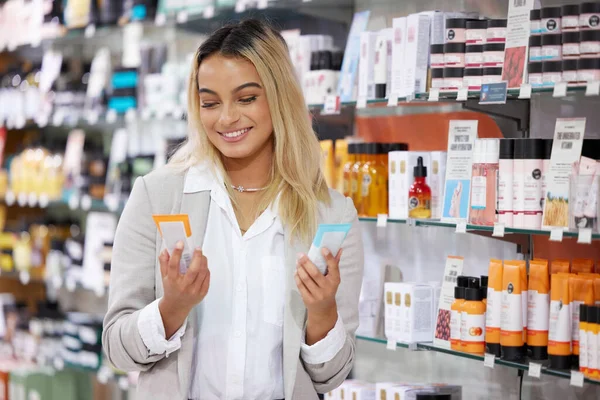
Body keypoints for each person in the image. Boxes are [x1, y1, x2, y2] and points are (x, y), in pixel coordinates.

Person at [102, 19, 364, 400]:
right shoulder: (157, 196)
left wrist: (323, 313)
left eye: (246, 99)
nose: (226, 119)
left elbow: (330, 378)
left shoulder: (332, 216)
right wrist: (171, 308)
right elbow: (117, 348)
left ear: (280, 97)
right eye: (210, 103)